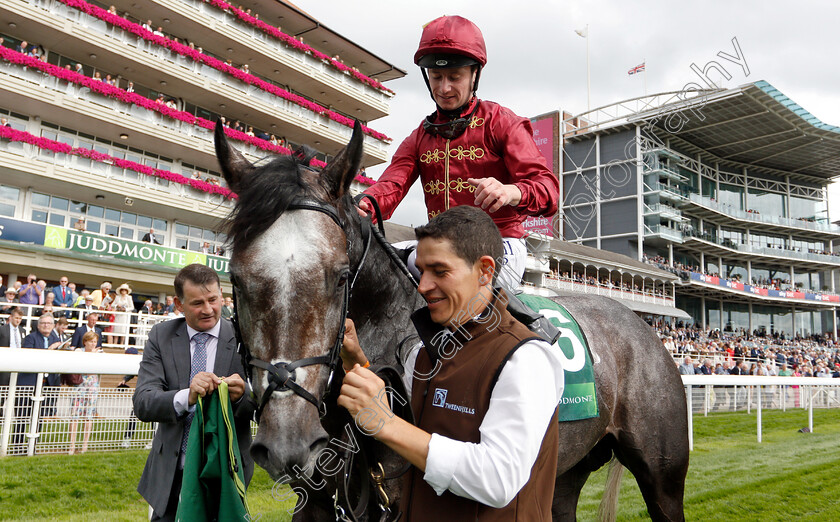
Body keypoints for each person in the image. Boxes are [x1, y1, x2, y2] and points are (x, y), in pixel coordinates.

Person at [338, 207, 564, 520]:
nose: (422, 285)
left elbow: (497, 480)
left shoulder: (525, 358)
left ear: (485, 271)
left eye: (439, 271)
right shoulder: (423, 352)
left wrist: (385, 424)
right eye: (421, 271)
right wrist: (356, 362)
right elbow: (407, 424)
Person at [358, 16, 559, 290]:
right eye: (436, 77)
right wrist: (363, 204)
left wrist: (511, 192)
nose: (444, 88)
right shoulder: (420, 136)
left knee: (451, 281)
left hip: (500, 244)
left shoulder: (503, 122)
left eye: (455, 77)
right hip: (440, 247)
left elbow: (548, 191)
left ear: (475, 74)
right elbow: (390, 186)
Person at [134, 264, 254, 520]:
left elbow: (264, 405)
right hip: (171, 477)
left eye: (213, 299)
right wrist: (187, 396)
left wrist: (244, 395)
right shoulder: (161, 336)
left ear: (222, 294)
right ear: (179, 304)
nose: (208, 309)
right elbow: (143, 402)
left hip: (225, 475)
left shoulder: (246, 335)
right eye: (198, 303)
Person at [68, 331, 103, 455]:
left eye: (95, 342)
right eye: (91, 341)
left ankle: (84, 445)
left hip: (92, 386)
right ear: (85, 342)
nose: (93, 344)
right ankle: (71, 445)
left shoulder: (99, 353)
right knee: (75, 414)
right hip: (80, 385)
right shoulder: (79, 352)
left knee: (88, 415)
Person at [0, 308, 26, 401]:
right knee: (3, 387)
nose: (18, 320)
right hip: (5, 361)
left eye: (20, 318)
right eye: (16, 318)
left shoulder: (22, 331)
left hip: (17, 362)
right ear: (11, 317)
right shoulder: (2, 329)